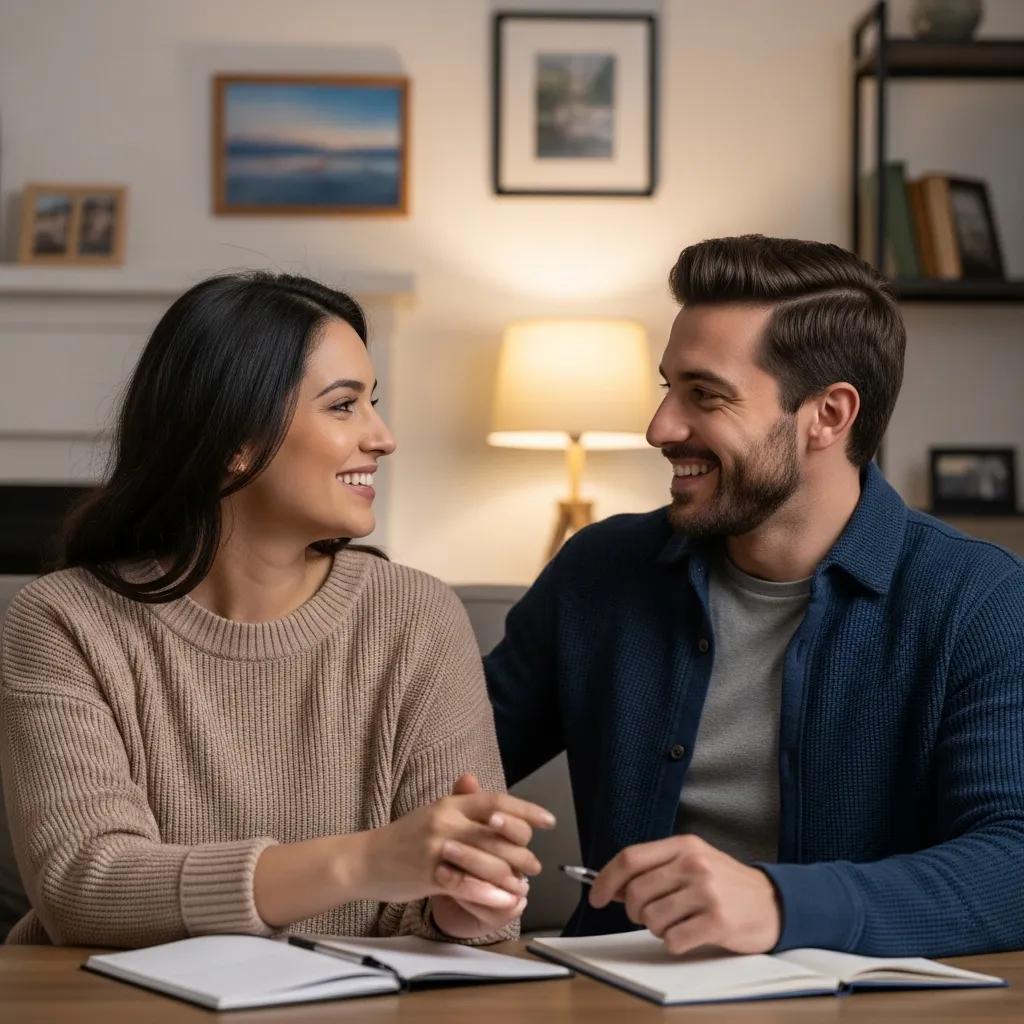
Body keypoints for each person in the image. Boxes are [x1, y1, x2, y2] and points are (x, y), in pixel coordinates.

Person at [485, 235, 1024, 958]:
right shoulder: (598, 571)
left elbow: (1013, 862)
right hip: (608, 994)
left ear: (828, 416)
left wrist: (780, 905)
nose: (660, 428)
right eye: (666, 387)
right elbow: (442, 764)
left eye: (704, 395)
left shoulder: (978, 601)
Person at [0, 272, 554, 947]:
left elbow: (444, 906)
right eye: (344, 406)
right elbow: (84, 888)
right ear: (235, 439)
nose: (382, 437)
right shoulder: (61, 620)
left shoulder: (416, 615)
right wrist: (366, 860)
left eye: (371, 403)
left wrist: (461, 910)